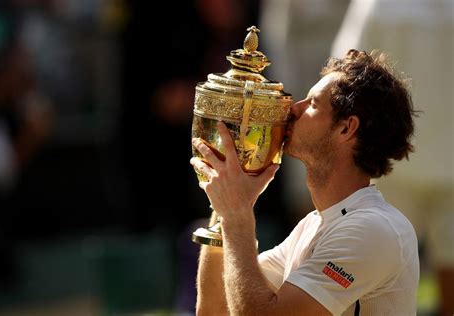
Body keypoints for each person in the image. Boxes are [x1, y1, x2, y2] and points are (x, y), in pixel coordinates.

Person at [190, 49, 419, 315]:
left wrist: (236, 214)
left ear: (347, 128)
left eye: (312, 103)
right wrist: (223, 204)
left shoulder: (372, 228)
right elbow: (214, 310)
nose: (293, 109)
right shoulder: (311, 226)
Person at [330, 1, 453, 314]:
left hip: (393, 165)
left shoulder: (377, 5)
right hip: (403, 167)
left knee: (371, 283)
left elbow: (343, 74)